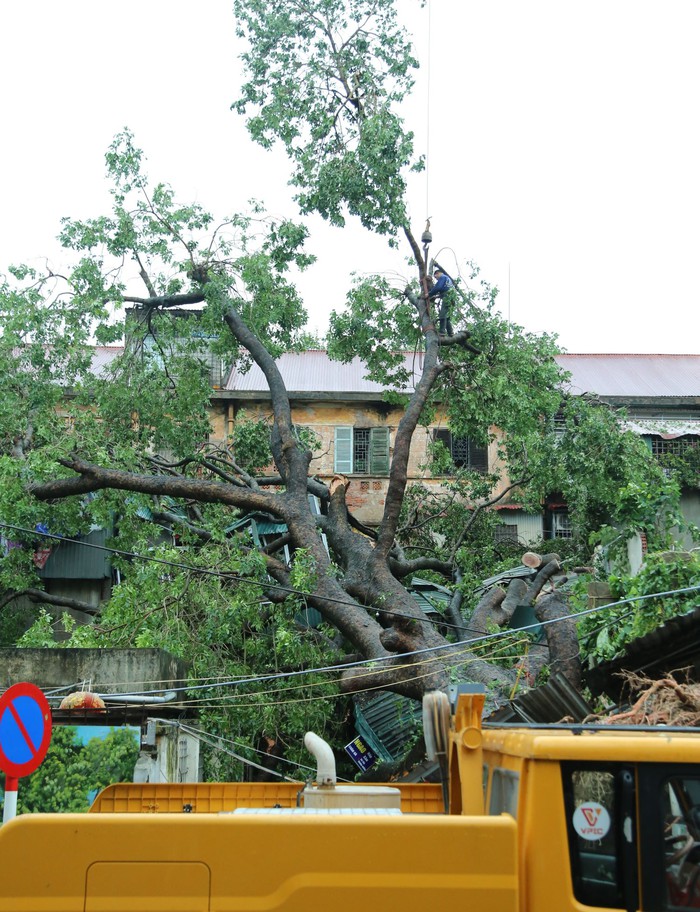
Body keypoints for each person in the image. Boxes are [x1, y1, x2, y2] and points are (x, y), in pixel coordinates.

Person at [428, 267, 454, 336]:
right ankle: (450, 332)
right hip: (451, 297)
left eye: (435, 276)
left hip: (447, 297)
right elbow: (444, 290)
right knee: (445, 315)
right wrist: (436, 296)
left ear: (438, 273)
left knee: (442, 314)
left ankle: (442, 332)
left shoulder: (442, 277)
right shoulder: (447, 279)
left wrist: (429, 294)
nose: (435, 278)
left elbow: (438, 287)